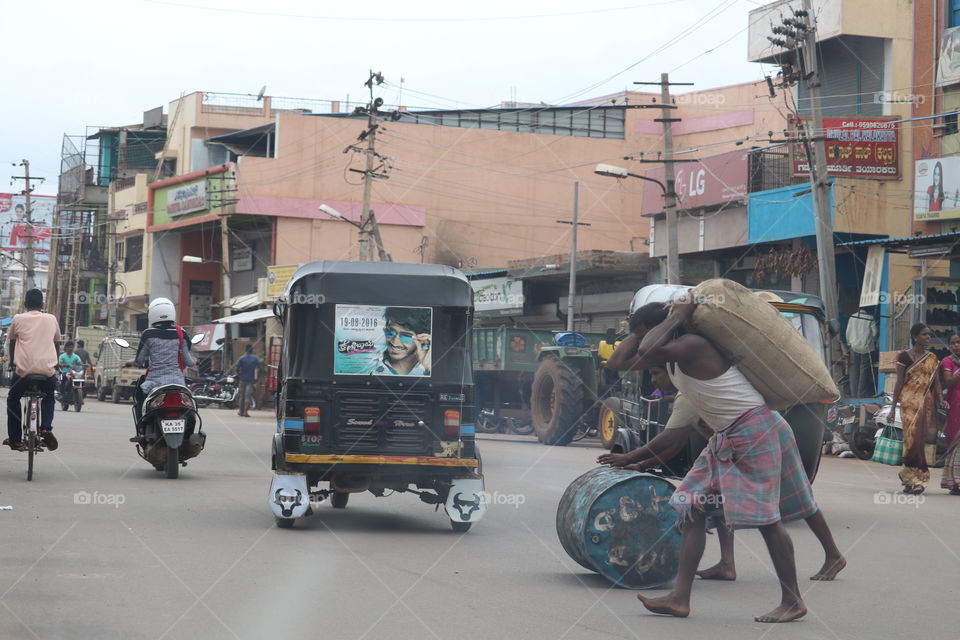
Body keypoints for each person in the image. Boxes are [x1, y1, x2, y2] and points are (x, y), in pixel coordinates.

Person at [605, 297, 836, 623]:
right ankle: (679, 599)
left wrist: (674, 317)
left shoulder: (691, 344)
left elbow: (643, 349)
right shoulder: (666, 354)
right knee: (692, 505)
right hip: (728, 434)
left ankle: (793, 600)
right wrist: (636, 327)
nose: (644, 340)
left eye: (648, 332)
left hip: (754, 430)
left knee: (767, 520)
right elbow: (617, 361)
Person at [598, 365, 846, 582]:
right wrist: (640, 466)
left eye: (656, 373)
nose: (653, 380)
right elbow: (675, 444)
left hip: (763, 435)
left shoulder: (688, 397)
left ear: (673, 372)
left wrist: (628, 457)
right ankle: (727, 564)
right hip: (737, 441)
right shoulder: (691, 393)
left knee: (799, 496)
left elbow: (669, 438)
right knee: (715, 499)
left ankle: (834, 555)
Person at [892, 323, 948, 495]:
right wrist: (893, 407)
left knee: (921, 441)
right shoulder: (904, 357)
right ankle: (915, 478)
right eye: (924, 334)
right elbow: (899, 383)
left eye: (929, 334)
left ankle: (913, 479)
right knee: (911, 441)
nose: (928, 337)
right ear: (915, 337)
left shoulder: (932, 358)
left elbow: (937, 382)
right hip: (909, 404)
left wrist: (941, 399)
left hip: (927, 405)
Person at [3, 289, 60, 451]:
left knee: (13, 399)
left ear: (25, 304)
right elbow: (56, 343)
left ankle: (15, 440)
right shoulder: (51, 318)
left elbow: (13, 342)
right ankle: (45, 428)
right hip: (47, 371)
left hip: (23, 372)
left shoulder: (18, 318)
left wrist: (13, 362)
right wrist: (56, 363)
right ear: (42, 304)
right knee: (49, 397)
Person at [129, 297, 195, 427]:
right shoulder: (181, 333)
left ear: (152, 314)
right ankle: (190, 432)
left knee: (140, 400)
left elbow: (140, 361)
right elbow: (188, 361)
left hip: (154, 382)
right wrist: (194, 361)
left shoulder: (148, 334)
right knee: (190, 405)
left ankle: (142, 429)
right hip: (177, 381)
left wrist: (132, 361)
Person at [370, 307, 431, 376]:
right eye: (390, 332)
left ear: (423, 339)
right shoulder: (371, 367)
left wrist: (429, 369)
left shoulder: (429, 366)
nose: (395, 342)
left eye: (406, 336)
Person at [940, 333, 960, 495]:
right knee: (955, 441)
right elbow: (949, 382)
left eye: (958, 342)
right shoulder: (947, 361)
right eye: (952, 343)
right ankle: (954, 483)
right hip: (955, 404)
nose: (956, 346)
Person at [846, 309, 877, 397]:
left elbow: (847, 333)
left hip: (853, 347)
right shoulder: (870, 318)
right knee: (864, 371)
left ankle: (854, 394)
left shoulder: (852, 317)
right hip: (866, 348)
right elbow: (875, 333)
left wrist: (850, 343)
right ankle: (861, 394)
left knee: (854, 370)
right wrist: (872, 340)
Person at [234, 344, 260, 417]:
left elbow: (237, 368)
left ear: (245, 350)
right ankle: (245, 412)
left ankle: (240, 411)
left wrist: (239, 374)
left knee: (242, 396)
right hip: (251, 380)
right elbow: (258, 369)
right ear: (252, 350)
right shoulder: (255, 358)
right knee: (247, 396)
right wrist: (257, 378)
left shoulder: (242, 358)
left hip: (242, 379)